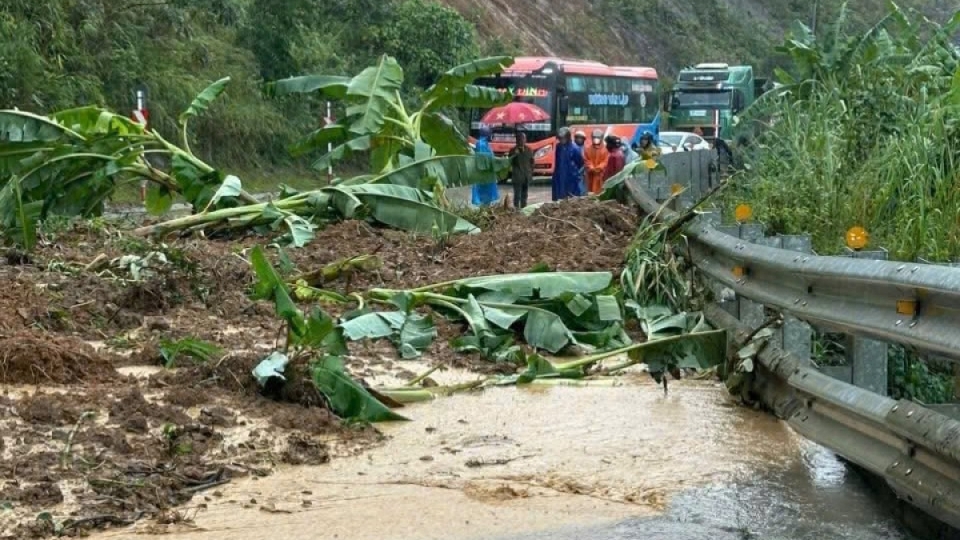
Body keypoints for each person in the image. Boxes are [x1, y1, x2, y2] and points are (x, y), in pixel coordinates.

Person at [551, 127, 584, 201]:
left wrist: (574, 173)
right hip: (559, 176)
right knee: (558, 197)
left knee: (571, 198)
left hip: (571, 177)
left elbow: (580, 163)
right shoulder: (558, 147)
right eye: (560, 139)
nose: (561, 140)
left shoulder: (575, 148)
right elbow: (557, 161)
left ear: (568, 137)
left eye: (563, 138)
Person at [471, 126, 500, 206]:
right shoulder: (481, 144)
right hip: (484, 174)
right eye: (490, 134)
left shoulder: (485, 144)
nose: (492, 136)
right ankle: (484, 210)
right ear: (487, 134)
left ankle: (486, 208)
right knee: (483, 195)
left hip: (488, 174)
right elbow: (483, 159)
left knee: (488, 195)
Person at [508, 130, 534, 209]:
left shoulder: (529, 150)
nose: (522, 140)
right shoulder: (513, 150)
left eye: (524, 138)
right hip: (517, 177)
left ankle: (524, 209)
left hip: (526, 176)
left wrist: (530, 172)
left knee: (524, 195)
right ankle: (516, 210)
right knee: (517, 196)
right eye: (520, 139)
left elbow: (532, 162)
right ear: (517, 140)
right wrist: (515, 154)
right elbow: (510, 162)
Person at [583, 128, 609, 194]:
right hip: (590, 175)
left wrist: (598, 168)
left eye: (598, 138)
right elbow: (586, 160)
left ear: (601, 138)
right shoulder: (588, 149)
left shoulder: (606, 149)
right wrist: (591, 167)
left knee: (600, 192)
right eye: (594, 137)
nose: (596, 139)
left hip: (601, 175)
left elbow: (605, 161)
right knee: (590, 191)